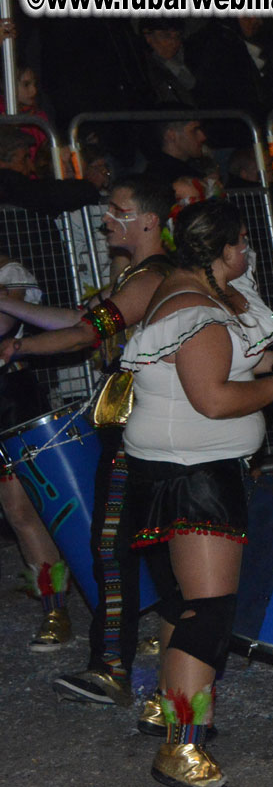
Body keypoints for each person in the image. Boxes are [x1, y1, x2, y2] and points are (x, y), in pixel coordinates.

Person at [119, 200, 273, 787]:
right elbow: (213, 398)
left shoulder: (195, 290)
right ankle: (181, 747)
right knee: (209, 610)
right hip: (194, 473)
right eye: (243, 244)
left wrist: (271, 360)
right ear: (224, 249)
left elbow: (222, 369)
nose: (247, 254)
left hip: (184, 467)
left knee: (185, 603)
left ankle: (165, 705)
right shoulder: (197, 311)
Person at [0, 177, 174, 710]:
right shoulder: (137, 275)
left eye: (118, 212)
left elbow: (83, 334)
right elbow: (79, 320)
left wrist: (14, 348)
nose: (107, 221)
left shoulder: (157, 275)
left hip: (151, 421)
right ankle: (117, 665)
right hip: (131, 420)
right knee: (116, 544)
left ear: (148, 221)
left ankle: (158, 680)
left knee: (144, 545)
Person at [0, 255, 72, 650]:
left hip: (10, 398)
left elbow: (3, 325)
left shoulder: (11, 274)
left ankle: (55, 607)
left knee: (21, 508)